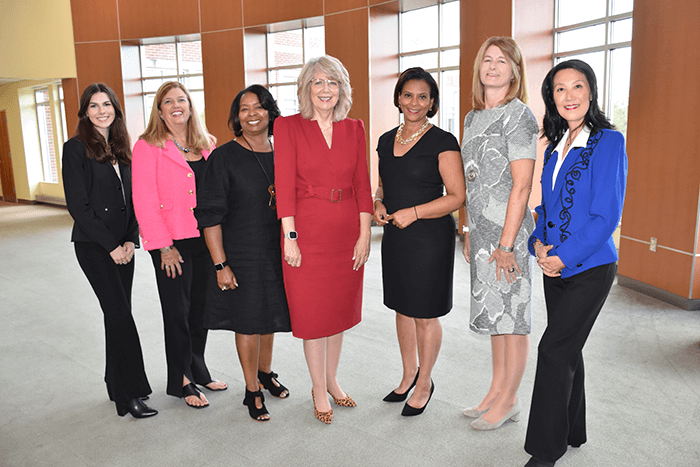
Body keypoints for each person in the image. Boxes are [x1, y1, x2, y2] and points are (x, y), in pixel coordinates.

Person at [523, 59, 627, 467]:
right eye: (560, 88)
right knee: (569, 348)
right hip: (554, 265)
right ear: (552, 96)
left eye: (577, 86)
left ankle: (545, 451)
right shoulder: (552, 146)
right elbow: (545, 209)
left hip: (591, 267)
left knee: (553, 349)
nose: (569, 96)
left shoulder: (609, 141)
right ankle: (573, 430)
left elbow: (606, 216)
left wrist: (562, 257)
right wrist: (538, 246)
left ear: (591, 92)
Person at [274, 55, 373, 424]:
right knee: (313, 314)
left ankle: (332, 379)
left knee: (337, 311)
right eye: (317, 82)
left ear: (342, 88)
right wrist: (290, 237)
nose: (325, 90)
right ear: (306, 88)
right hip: (308, 231)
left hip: (347, 231)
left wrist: (364, 235)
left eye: (332, 82)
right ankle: (317, 387)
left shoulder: (354, 128)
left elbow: (363, 184)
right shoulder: (287, 127)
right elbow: (284, 187)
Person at [195, 85, 292, 422]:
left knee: (270, 317)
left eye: (259, 107)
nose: (252, 114)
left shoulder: (283, 152)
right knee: (249, 322)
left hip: (276, 251)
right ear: (237, 117)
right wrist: (221, 264)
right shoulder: (223, 157)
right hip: (241, 253)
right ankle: (251, 389)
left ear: (270, 112)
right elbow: (209, 217)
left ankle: (265, 372)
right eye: (244, 109)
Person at [373, 67, 466, 416]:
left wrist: (413, 212)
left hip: (429, 239)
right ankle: (408, 372)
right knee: (402, 307)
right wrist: (378, 203)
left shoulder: (443, 141)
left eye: (423, 96)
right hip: (395, 238)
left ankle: (425, 380)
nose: (414, 102)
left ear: (432, 103)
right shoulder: (385, 140)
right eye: (408, 95)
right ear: (398, 97)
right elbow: (383, 186)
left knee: (425, 314)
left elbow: (457, 196)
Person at [63, 83, 157, 418]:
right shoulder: (75, 149)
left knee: (115, 316)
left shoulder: (122, 147)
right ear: (85, 112)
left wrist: (131, 239)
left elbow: (133, 200)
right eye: (93, 105)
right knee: (120, 317)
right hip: (94, 247)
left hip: (124, 246)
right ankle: (129, 394)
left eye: (107, 105)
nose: (101, 111)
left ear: (116, 109)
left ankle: (112, 380)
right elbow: (79, 205)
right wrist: (111, 247)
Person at [460, 37, 539, 430]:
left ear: (515, 70)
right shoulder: (472, 118)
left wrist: (507, 245)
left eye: (502, 61)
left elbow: (522, 187)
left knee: (513, 318)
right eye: (487, 59)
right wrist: (468, 228)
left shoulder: (520, 115)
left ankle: (509, 400)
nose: (493, 66)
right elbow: (469, 181)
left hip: (508, 237)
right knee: (494, 315)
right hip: (482, 235)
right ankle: (495, 391)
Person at [132, 81, 227, 409]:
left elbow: (216, 193)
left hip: (206, 240)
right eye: (168, 101)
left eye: (182, 100)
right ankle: (181, 379)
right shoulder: (147, 146)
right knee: (177, 312)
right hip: (173, 243)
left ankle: (197, 366)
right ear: (159, 110)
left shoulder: (206, 144)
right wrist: (163, 246)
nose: (176, 105)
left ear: (190, 106)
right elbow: (144, 201)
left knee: (201, 309)